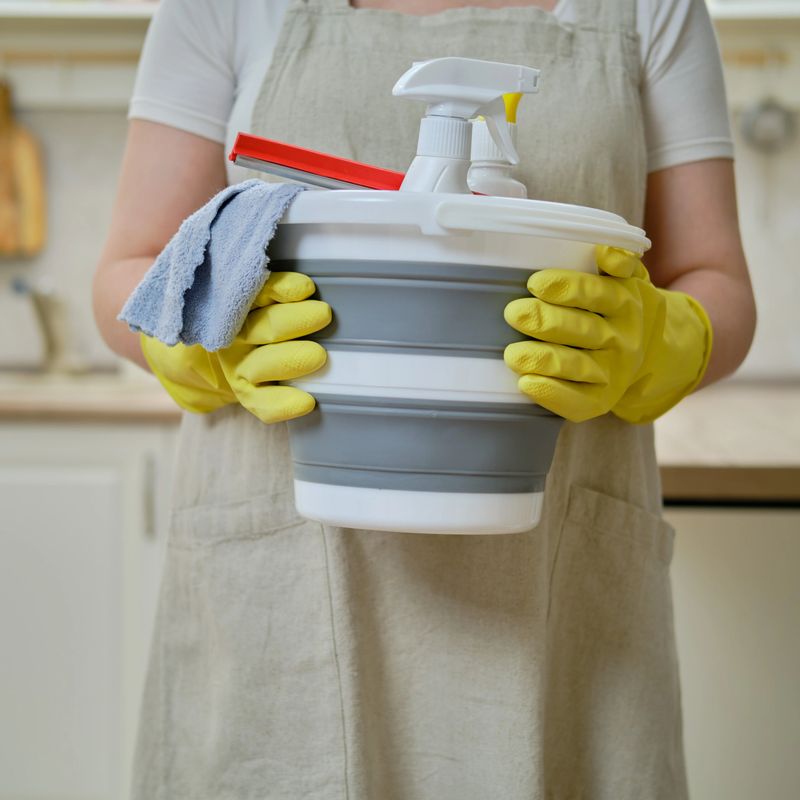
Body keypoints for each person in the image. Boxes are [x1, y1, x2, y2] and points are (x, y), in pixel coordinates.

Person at [92, 0, 756, 797]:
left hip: (557, 591)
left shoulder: (653, 10)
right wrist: (208, 337)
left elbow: (716, 279)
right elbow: (129, 266)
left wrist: (658, 340)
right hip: (282, 585)